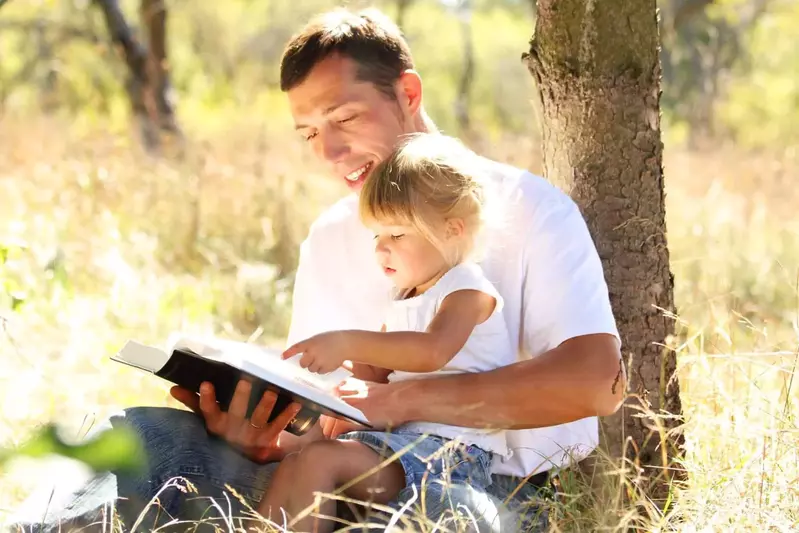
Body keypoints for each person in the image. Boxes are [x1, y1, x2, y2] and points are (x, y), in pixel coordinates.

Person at [8, 7, 624, 533]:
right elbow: (323, 422)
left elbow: (594, 382)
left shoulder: (526, 208)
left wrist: (401, 400)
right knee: (129, 434)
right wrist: (261, 438)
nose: (329, 153)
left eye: (344, 119)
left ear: (407, 95)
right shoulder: (332, 236)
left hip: (487, 492)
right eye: (308, 134)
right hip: (335, 473)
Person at [258, 133, 518, 532]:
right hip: (402, 446)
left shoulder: (466, 288)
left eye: (397, 235)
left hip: (454, 456)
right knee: (300, 459)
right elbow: (375, 378)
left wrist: (349, 340)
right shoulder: (402, 299)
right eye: (376, 236)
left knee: (320, 461)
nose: (381, 249)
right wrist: (338, 388)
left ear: (453, 230)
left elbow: (432, 351)